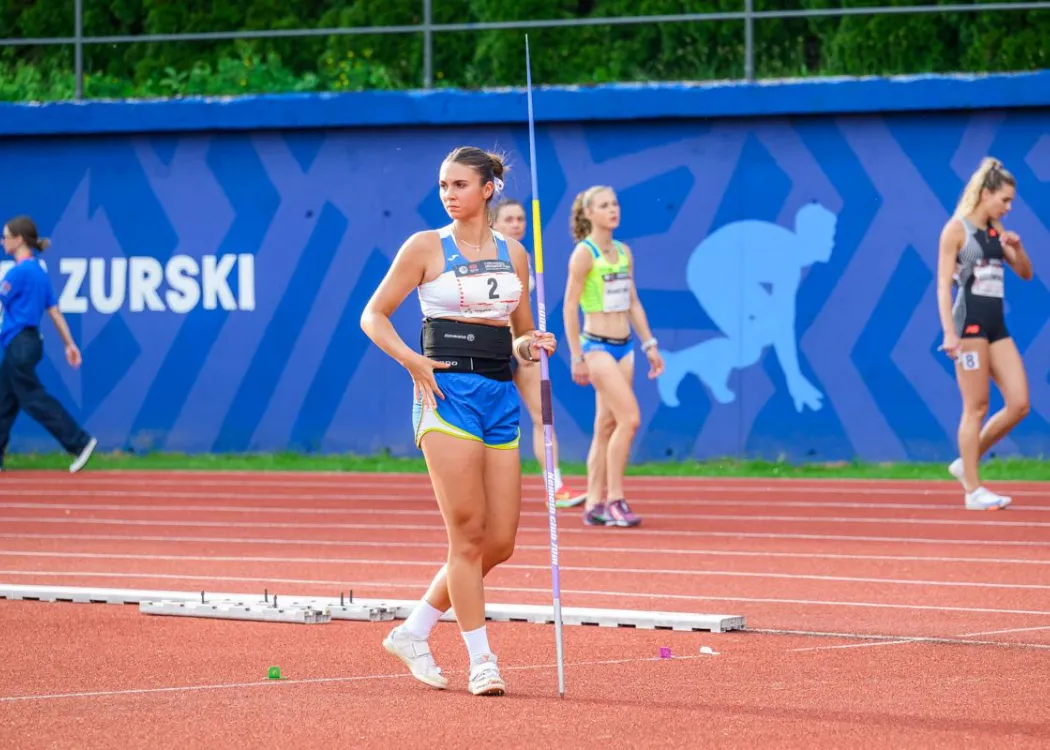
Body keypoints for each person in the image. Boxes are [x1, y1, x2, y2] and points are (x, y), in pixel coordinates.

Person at [360, 147, 556, 697]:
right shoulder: (425, 246)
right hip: (446, 395)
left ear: (488, 188)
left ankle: (414, 629)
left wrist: (532, 343)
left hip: (498, 396)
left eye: (460, 184)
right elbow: (373, 314)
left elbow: (516, 336)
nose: (448, 193)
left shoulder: (514, 253)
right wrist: (412, 359)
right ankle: (482, 660)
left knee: (500, 542)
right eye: (443, 184)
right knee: (467, 537)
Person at [656, 202, 837, 413]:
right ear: (812, 238)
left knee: (760, 336)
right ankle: (675, 365)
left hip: (728, 271)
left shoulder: (788, 254)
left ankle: (708, 368)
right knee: (750, 347)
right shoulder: (787, 261)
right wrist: (794, 378)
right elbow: (784, 325)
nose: (833, 243)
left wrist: (793, 377)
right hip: (710, 271)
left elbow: (780, 325)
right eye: (829, 235)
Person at [561, 185, 663, 528]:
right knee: (629, 419)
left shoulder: (623, 251)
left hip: (625, 348)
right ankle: (615, 499)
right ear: (589, 213)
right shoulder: (584, 254)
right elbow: (569, 305)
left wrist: (649, 345)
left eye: (615, 203)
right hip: (597, 347)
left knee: (605, 427)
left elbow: (632, 301)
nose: (613, 210)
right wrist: (576, 355)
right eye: (604, 205)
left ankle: (594, 504)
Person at [936, 157, 1032, 511]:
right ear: (986, 193)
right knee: (976, 407)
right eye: (1004, 200)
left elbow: (1025, 273)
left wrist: (1017, 248)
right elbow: (943, 287)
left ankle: (967, 459)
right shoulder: (956, 230)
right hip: (969, 327)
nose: (1008, 208)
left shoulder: (995, 229)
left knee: (1019, 403)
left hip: (996, 327)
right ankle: (973, 491)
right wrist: (949, 333)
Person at [489, 197, 583, 508]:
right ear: (494, 223)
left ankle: (554, 486)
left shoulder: (524, 256)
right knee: (491, 421)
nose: (516, 224)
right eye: (509, 219)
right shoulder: (485, 254)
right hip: (491, 348)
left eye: (520, 219)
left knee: (543, 416)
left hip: (523, 347)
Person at [0, 216, 97, 474]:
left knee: (32, 398)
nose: (2, 241)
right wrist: (69, 344)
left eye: (5, 235)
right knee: (4, 401)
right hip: (27, 343)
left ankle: (79, 442)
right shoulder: (39, 272)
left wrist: (69, 344)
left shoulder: (19, 272)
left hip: (19, 343)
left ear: (18, 239)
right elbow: (54, 311)